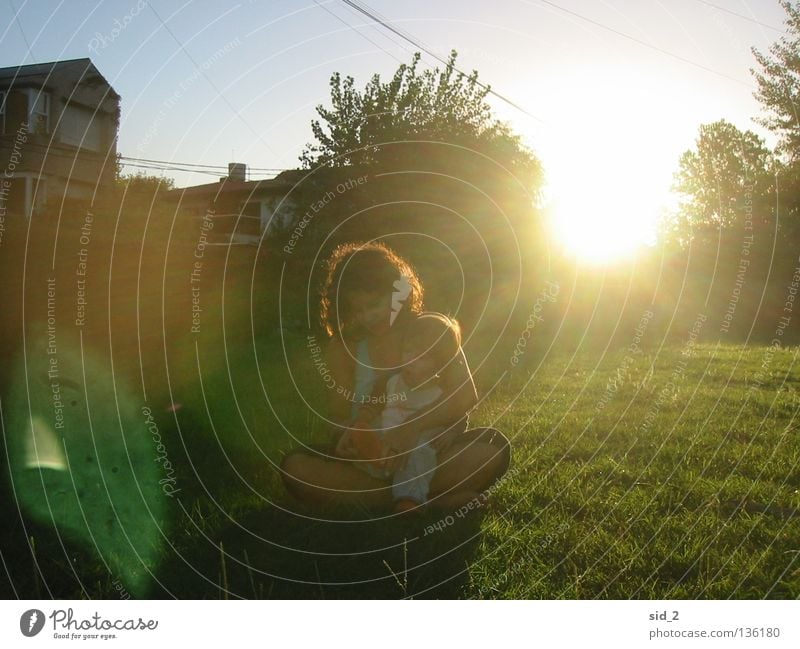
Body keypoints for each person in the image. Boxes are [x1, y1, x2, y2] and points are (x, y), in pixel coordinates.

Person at [280, 241, 510, 511]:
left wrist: (410, 429)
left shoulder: (429, 330)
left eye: (376, 302)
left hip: (428, 451)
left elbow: (465, 394)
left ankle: (390, 500)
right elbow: (338, 416)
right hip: (368, 458)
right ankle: (426, 501)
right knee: (295, 467)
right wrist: (345, 436)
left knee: (493, 448)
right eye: (357, 309)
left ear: (397, 291)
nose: (368, 315)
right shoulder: (343, 347)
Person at [341, 313, 467, 513]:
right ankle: (375, 459)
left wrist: (452, 434)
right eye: (408, 351)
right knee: (371, 431)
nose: (411, 360)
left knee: (418, 454)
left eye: (423, 357)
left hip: (418, 444)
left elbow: (459, 415)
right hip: (387, 434)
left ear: (441, 365)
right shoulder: (392, 381)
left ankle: (409, 500)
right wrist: (361, 421)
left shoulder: (441, 392)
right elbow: (374, 403)